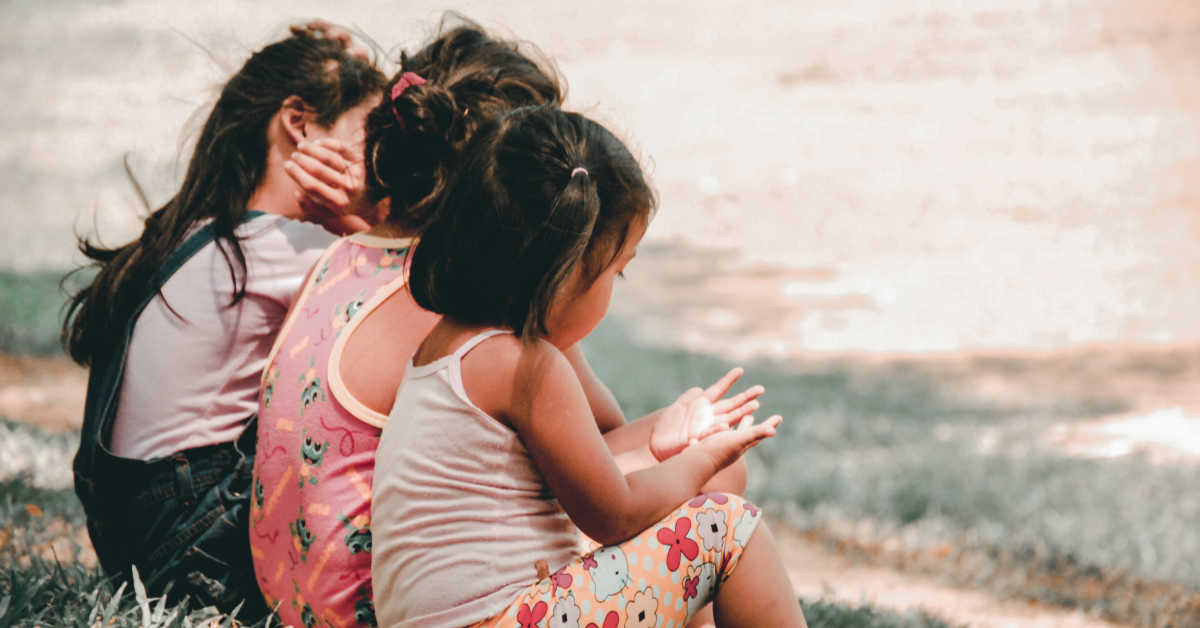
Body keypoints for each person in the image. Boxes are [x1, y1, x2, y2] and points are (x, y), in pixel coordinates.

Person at [371, 106, 807, 627]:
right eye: (615, 273)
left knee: (693, 514)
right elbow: (614, 514)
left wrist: (663, 446)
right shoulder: (526, 366)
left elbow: (586, 466)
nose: (612, 292)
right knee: (728, 528)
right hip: (503, 621)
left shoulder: (449, 346)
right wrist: (699, 460)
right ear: (564, 272)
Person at [61, 23, 387, 618]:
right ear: (299, 123)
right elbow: (421, 305)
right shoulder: (288, 248)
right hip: (199, 554)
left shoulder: (197, 233)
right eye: (366, 137)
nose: (374, 165)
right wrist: (366, 220)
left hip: (139, 544)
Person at [248, 23, 565, 628]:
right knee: (701, 479)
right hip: (386, 612)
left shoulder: (336, 257)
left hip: (291, 606)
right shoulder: (452, 297)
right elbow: (592, 450)